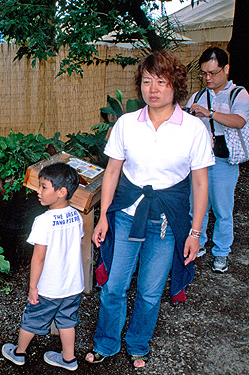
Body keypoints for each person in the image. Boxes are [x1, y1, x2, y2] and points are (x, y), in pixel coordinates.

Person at [85, 50, 215, 369]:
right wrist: (103, 217)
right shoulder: (127, 124)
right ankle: (107, 342)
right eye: (146, 81)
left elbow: (200, 184)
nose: (152, 89)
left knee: (149, 291)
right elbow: (113, 171)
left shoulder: (194, 129)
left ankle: (138, 343)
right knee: (114, 286)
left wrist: (196, 232)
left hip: (167, 223)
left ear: (176, 86)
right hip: (128, 216)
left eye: (161, 81)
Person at [2, 162, 84, 372]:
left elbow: (38, 258)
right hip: (72, 286)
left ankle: (19, 353)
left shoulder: (43, 220)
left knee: (32, 318)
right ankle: (68, 359)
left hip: (49, 287)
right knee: (67, 321)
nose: (38, 191)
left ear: (61, 192)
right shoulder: (76, 216)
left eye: (44, 187)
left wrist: (32, 287)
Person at [187, 47, 249, 273]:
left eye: (213, 73)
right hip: (201, 161)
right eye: (204, 74)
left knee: (223, 209)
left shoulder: (238, 93)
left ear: (226, 69)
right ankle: (198, 243)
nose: (208, 78)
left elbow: (239, 121)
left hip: (224, 161)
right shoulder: (198, 96)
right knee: (197, 206)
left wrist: (209, 114)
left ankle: (222, 251)